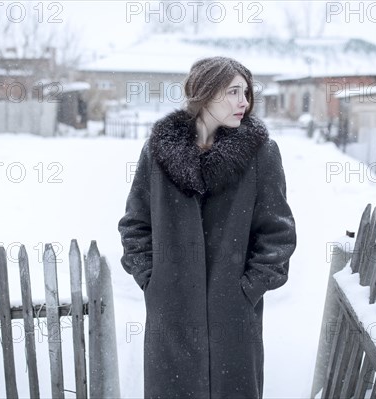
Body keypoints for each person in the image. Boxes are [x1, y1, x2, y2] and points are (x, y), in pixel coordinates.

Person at [118, 56, 297, 399]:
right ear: (203, 93)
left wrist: (245, 290)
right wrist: (152, 280)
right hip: (170, 318)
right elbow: (135, 224)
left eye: (246, 92)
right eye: (233, 91)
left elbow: (278, 233)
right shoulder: (159, 151)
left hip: (232, 320)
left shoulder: (261, 154)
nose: (244, 101)